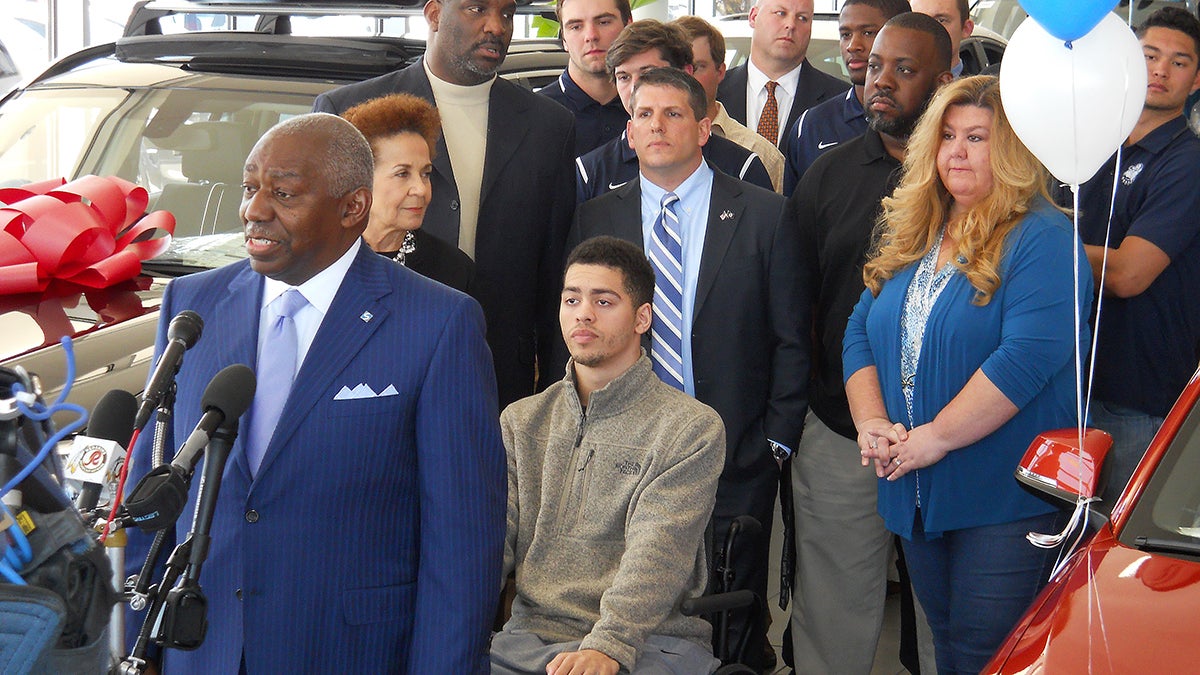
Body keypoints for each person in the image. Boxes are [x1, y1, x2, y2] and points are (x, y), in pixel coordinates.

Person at [122, 114, 506, 673]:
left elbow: (463, 541)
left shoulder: (439, 323)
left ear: (352, 207)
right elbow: (151, 495)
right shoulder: (193, 303)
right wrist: (139, 644)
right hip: (200, 649)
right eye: (250, 188)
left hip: (349, 650)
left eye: (283, 193)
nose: (255, 210)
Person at [843, 75, 1091, 675]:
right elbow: (858, 332)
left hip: (1006, 497)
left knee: (992, 657)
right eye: (947, 135)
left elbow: (1024, 359)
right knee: (950, 649)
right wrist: (872, 421)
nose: (956, 151)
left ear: (1012, 149)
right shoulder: (916, 227)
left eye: (977, 138)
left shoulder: (1044, 238)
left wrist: (932, 439)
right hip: (916, 488)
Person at [569, 67, 807, 672]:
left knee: (728, 619)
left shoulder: (764, 214)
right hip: (623, 458)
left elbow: (791, 337)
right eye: (645, 114)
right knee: (632, 613)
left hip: (734, 456)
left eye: (674, 114)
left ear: (705, 128)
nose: (657, 126)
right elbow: (579, 336)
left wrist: (773, 444)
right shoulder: (596, 217)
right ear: (629, 132)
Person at [313, 0, 577, 408]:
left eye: (506, 14)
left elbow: (555, 266)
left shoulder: (550, 125)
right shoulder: (352, 111)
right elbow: (321, 245)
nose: (495, 26)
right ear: (435, 13)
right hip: (377, 363)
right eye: (477, 9)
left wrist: (559, 386)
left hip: (503, 368)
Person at [787, 13, 948, 674]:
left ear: (943, 83)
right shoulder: (826, 176)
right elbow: (796, 304)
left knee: (949, 611)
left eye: (902, 71)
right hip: (838, 431)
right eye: (876, 66)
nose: (879, 82)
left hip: (950, 433)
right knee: (831, 608)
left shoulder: (968, 176)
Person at [491, 236, 724, 675]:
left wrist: (610, 645)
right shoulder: (521, 421)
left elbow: (659, 553)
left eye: (604, 301)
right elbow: (488, 545)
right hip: (528, 641)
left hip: (651, 643)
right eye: (572, 299)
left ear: (642, 318)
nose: (583, 312)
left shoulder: (691, 427)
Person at [1073, 7, 1200, 504]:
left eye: (1180, 62)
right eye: (1149, 55)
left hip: (1134, 399)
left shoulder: (1186, 164)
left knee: (1108, 549)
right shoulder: (1091, 143)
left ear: (1195, 81)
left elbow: (1128, 275)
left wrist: (1036, 250)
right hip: (1067, 382)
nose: (1161, 70)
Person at [574, 19, 774, 203]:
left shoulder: (741, 166)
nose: (636, 87)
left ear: (685, 73)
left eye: (648, 74)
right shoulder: (591, 172)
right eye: (624, 77)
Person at [340, 93, 475, 293]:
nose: (421, 189)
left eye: (426, 174)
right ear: (359, 178)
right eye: (402, 174)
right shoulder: (320, 258)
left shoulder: (453, 270)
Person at [782, 0, 911, 195]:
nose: (853, 46)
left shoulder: (938, 122)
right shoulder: (811, 126)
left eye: (868, 33)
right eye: (845, 35)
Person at [672, 15, 786, 192]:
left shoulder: (759, 154)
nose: (686, 78)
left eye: (697, 67)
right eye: (676, 68)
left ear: (720, 72)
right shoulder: (648, 147)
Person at [716, 0, 846, 147]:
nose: (791, 24)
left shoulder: (841, 103)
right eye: (781, 13)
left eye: (802, 18)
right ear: (753, 17)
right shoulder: (711, 93)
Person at [540, 0, 633, 156]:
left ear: (628, 26)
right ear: (564, 39)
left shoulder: (651, 111)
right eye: (576, 27)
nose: (591, 36)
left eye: (603, 22)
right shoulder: (536, 117)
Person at [909, 0, 973, 77]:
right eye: (917, 20)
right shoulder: (895, 84)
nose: (926, 30)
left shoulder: (977, 87)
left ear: (966, 29)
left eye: (940, 21)